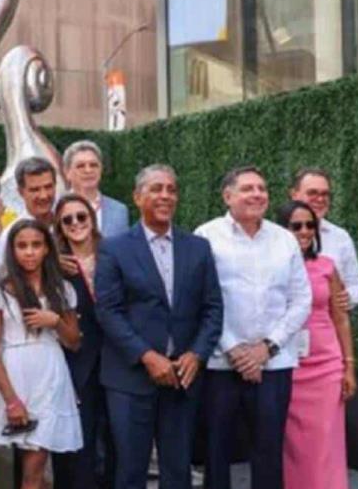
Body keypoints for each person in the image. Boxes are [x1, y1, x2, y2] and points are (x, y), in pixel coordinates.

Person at [95, 165, 223, 489]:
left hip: (183, 376)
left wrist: (197, 354)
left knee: (178, 469)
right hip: (130, 376)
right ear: (138, 197)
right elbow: (108, 311)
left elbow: (212, 308)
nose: (165, 195)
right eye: (156, 188)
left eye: (171, 189)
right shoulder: (114, 247)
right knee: (130, 469)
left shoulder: (198, 247)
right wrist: (148, 356)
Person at [194, 166, 312, 489]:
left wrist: (266, 348)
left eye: (261, 188)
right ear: (227, 195)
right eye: (247, 188)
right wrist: (234, 349)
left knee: (269, 451)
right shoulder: (206, 236)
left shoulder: (284, 239)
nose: (257, 194)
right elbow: (202, 299)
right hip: (221, 363)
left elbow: (301, 299)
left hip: (274, 363)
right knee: (217, 450)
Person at [0, 219, 83, 489]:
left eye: (36, 245)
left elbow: (74, 342)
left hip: (50, 377)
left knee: (35, 468)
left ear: (47, 249)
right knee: (4, 469)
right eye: (22, 246)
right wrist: (11, 400)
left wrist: (55, 321)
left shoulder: (62, 290)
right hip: (12, 379)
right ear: (12, 251)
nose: (30, 252)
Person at [278, 200, 357, 489]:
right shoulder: (275, 268)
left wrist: (348, 366)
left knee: (326, 440)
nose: (305, 231)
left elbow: (341, 318)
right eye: (296, 225)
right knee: (295, 443)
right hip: (288, 363)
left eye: (310, 225)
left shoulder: (327, 266)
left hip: (326, 365)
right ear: (282, 229)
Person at [50, 194, 113, 489]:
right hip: (76, 363)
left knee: (116, 441)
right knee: (79, 444)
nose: (76, 223)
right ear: (60, 228)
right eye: (67, 220)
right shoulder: (55, 266)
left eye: (81, 216)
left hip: (117, 360)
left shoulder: (114, 254)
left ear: (92, 219)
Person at [289, 167, 358, 309]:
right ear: (294, 194)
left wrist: (348, 297)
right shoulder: (277, 235)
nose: (319, 199)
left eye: (325, 194)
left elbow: (356, 284)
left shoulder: (340, 237)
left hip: (327, 324)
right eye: (312, 193)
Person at [62, 140, 129, 238]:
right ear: (67, 172)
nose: (88, 170)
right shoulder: (56, 208)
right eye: (80, 166)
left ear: (101, 170)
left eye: (93, 165)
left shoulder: (119, 210)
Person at [0, 157, 58, 255]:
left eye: (48, 187)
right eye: (35, 190)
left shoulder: (71, 224)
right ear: (21, 192)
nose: (43, 196)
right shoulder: (11, 235)